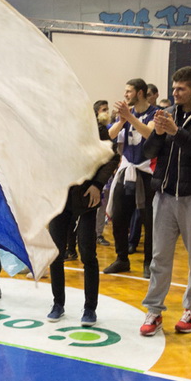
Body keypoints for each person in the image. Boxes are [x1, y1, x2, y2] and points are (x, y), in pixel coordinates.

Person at [137, 67, 191, 337]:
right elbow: (148, 152)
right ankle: (154, 310)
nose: (174, 93)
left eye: (180, 89)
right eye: (173, 88)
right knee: (159, 257)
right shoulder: (168, 114)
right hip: (163, 195)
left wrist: (176, 132)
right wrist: (160, 133)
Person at [45, 127, 119, 325]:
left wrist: (97, 184)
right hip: (60, 199)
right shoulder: (54, 127)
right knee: (56, 254)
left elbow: (111, 157)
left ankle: (89, 308)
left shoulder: (93, 126)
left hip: (87, 200)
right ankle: (58, 303)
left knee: (88, 254)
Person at [103, 79, 159, 275]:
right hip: (127, 169)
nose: (125, 95)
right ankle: (121, 258)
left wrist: (130, 117)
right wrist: (122, 120)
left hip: (147, 172)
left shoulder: (155, 113)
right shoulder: (127, 115)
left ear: (140, 93)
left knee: (148, 220)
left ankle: (149, 263)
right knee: (119, 216)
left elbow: (150, 133)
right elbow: (110, 136)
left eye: (129, 91)